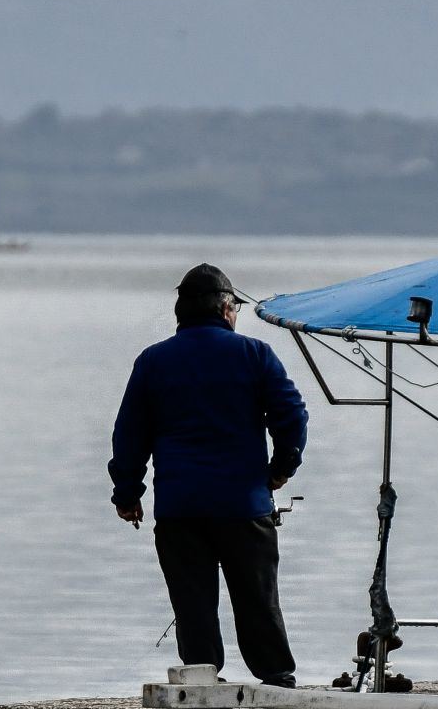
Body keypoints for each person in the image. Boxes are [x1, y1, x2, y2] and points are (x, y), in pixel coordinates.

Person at [109, 264, 309, 685]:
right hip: (244, 506)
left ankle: (202, 679)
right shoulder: (255, 354)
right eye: (236, 307)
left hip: (180, 509)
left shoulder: (153, 361)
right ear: (225, 308)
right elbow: (292, 415)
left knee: (192, 604)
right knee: (257, 599)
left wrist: (127, 493)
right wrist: (281, 468)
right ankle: (276, 679)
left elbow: (130, 434)